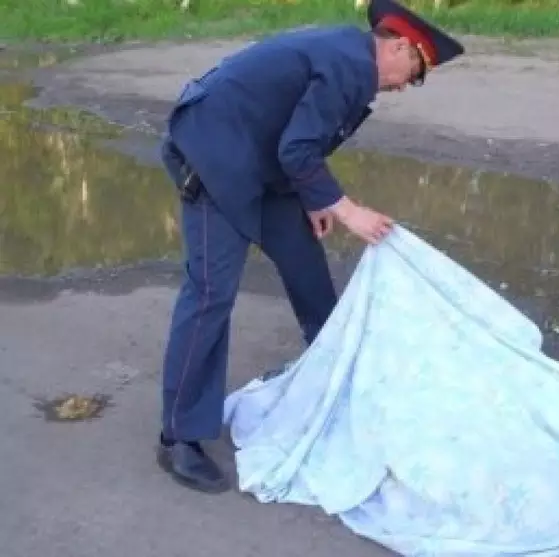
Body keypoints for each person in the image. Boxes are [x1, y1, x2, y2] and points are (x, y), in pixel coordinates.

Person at [155, 0, 466, 494]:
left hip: (263, 162)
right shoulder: (351, 65)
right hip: (216, 159)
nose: (407, 85)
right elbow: (297, 147)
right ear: (400, 47)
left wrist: (314, 197)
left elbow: (299, 138)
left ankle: (332, 387)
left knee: (308, 272)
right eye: (416, 73)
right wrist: (347, 210)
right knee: (211, 293)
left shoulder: (351, 60)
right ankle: (178, 436)